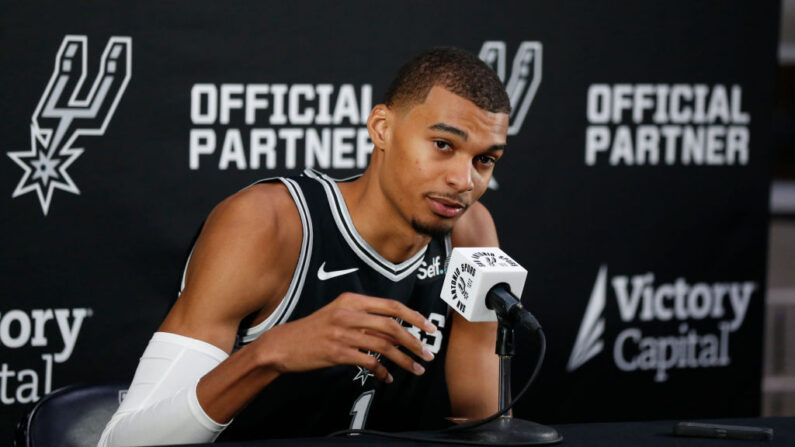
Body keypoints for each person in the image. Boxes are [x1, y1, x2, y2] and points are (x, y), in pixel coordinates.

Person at [99, 46, 511, 446]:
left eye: (484, 160)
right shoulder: (267, 223)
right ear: (382, 129)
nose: (465, 180)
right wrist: (270, 352)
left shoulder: (471, 235)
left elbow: (485, 425)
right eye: (443, 145)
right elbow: (125, 441)